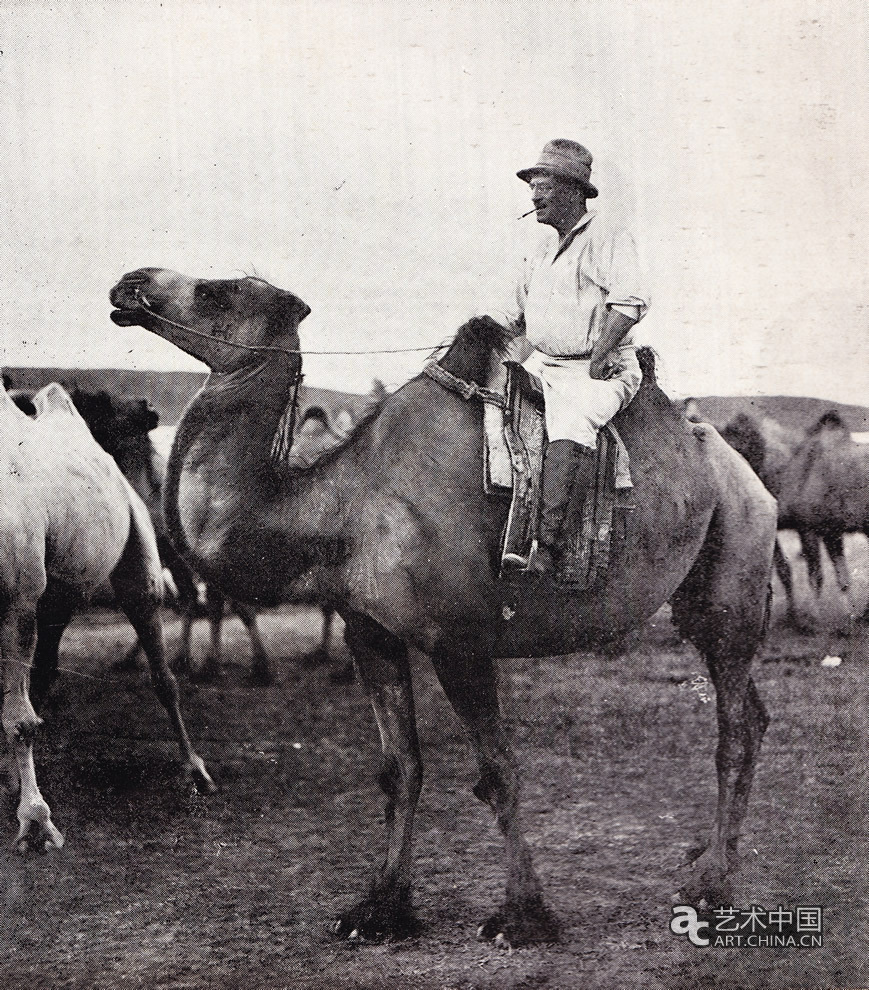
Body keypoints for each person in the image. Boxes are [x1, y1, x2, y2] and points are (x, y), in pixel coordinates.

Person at [486, 139, 650, 579]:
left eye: (545, 187)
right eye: (532, 188)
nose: (535, 196)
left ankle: (546, 546)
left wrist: (599, 356)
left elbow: (630, 301)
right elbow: (510, 315)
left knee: (570, 421)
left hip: (599, 369)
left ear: (575, 191)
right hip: (545, 363)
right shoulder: (538, 248)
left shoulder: (608, 234)